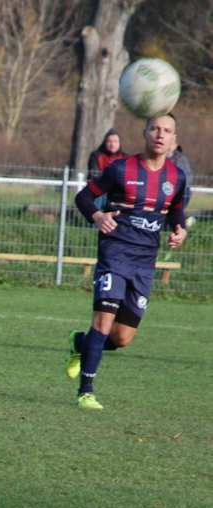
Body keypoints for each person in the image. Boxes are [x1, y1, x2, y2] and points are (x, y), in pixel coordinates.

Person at [64, 114, 188, 410]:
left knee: (122, 338)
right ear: (145, 133)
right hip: (115, 255)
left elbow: (176, 210)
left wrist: (179, 229)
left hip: (145, 263)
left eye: (167, 130)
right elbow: (83, 198)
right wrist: (97, 216)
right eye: (155, 128)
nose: (160, 134)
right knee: (103, 323)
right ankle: (86, 392)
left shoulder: (176, 177)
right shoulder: (121, 169)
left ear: (173, 138)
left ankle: (81, 344)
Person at [87, 128, 126, 208]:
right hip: (100, 191)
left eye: (115, 141)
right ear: (105, 142)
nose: (112, 144)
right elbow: (95, 174)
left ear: (119, 143)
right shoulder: (96, 156)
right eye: (109, 141)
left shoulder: (125, 158)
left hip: (118, 194)